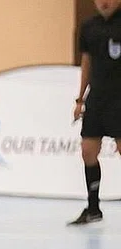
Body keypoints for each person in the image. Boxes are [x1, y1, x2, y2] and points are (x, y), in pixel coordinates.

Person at [70, 0, 121, 225]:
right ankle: (93, 208)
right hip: (97, 99)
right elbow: (86, 62)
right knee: (88, 151)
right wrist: (80, 98)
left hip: (120, 99)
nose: (104, 2)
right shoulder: (89, 26)